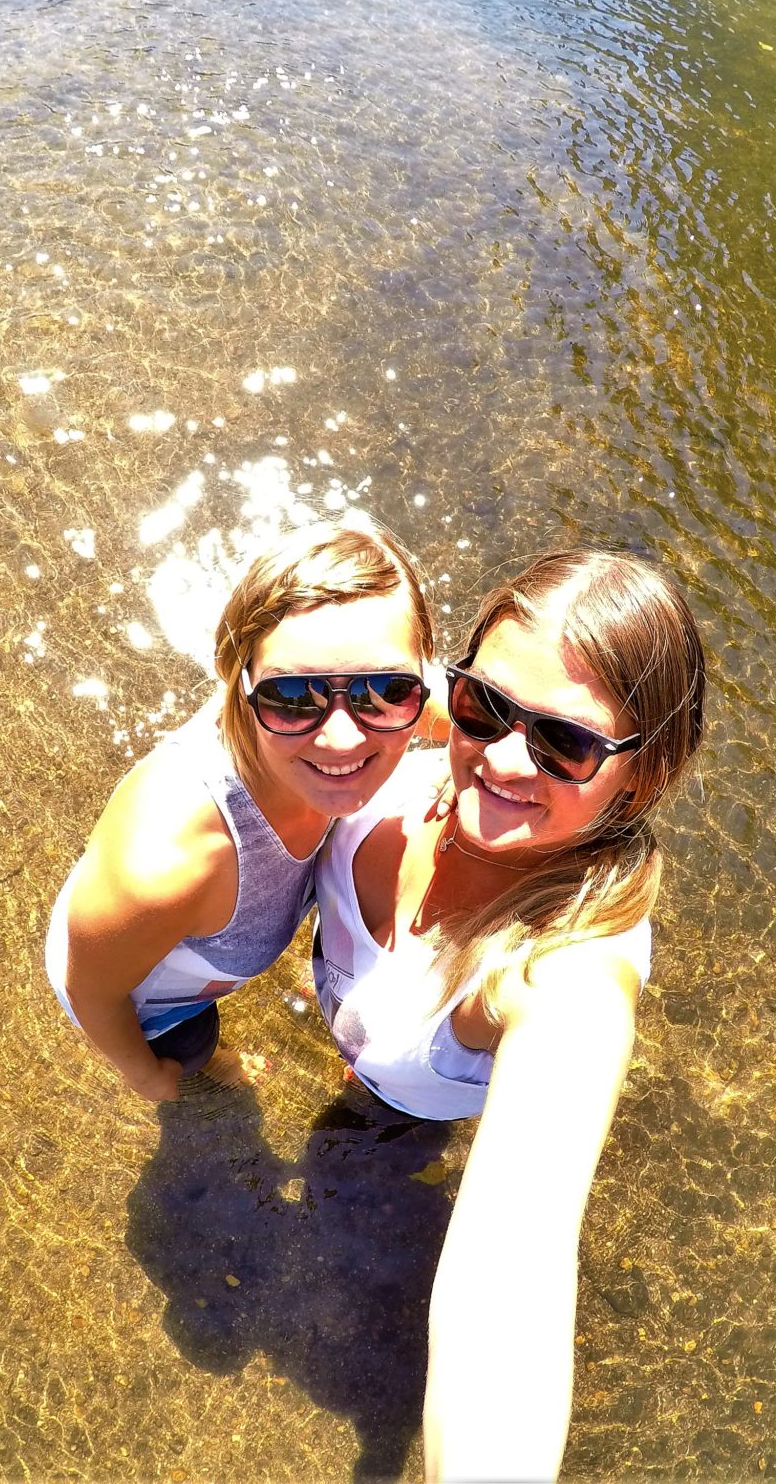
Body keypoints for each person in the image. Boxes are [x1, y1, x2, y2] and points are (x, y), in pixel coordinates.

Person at [308, 547, 708, 1480]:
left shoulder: (565, 978)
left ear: (640, 779)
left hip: (404, 1110)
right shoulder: (407, 730)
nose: (502, 757)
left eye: (565, 745)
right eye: (484, 706)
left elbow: (512, 1274)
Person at [47, 521, 438, 1101]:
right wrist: (146, 1073)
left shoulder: (350, 715)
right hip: (158, 1005)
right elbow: (92, 991)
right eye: (291, 697)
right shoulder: (165, 866)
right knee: (194, 1051)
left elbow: (467, 722)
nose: (339, 740)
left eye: (382, 689)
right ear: (238, 681)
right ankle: (213, 1064)